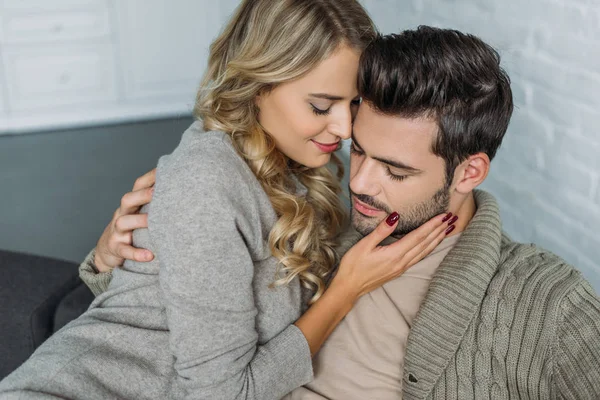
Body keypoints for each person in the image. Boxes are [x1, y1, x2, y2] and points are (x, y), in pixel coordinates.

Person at [79, 27, 600, 399]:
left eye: (395, 171)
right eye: (361, 152)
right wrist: (112, 263)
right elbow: (205, 315)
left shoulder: (544, 300)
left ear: (468, 173)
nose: (359, 183)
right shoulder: (319, 214)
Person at [0, 2, 453, 400]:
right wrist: (344, 291)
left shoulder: (288, 163)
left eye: (354, 105)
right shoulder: (207, 182)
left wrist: (107, 266)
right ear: (258, 84)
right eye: (321, 105)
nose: (344, 129)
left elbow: (170, 305)